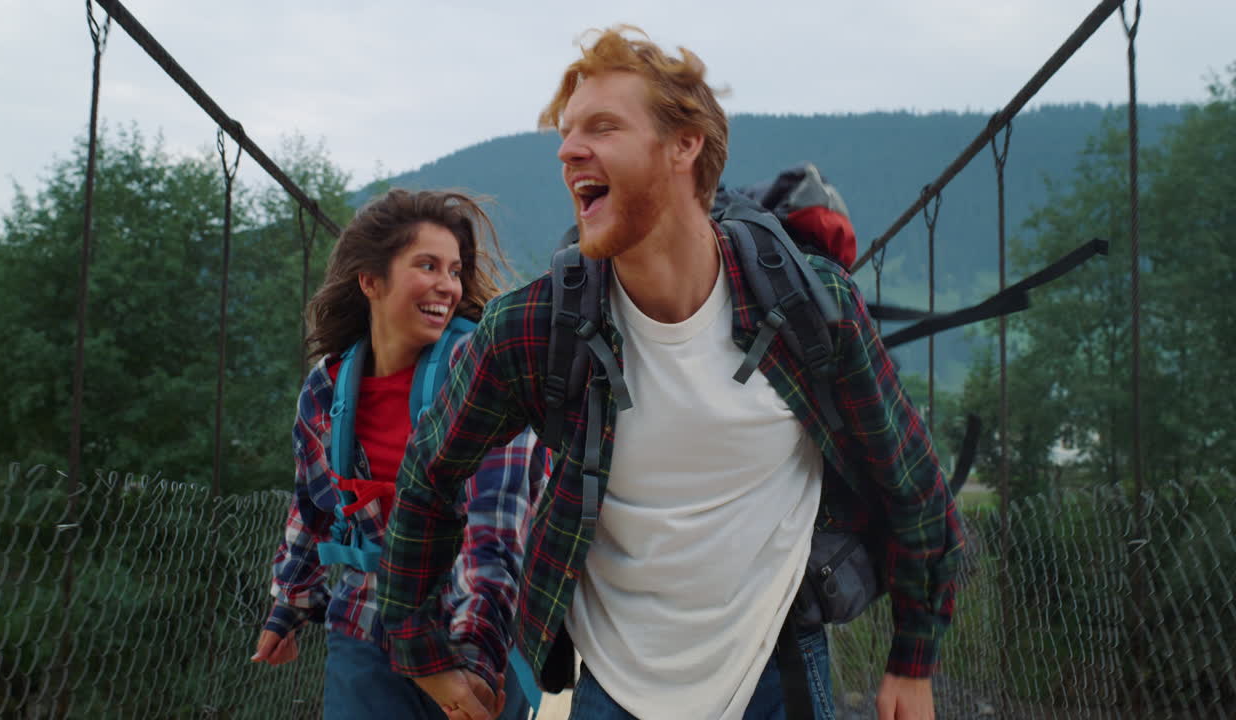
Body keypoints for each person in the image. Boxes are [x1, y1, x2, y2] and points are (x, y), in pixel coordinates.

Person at [377, 27, 963, 720]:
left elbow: (915, 487)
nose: (567, 151)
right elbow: (428, 474)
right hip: (613, 691)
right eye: (565, 134)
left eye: (602, 126)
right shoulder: (535, 331)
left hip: (779, 677)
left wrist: (913, 660)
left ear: (684, 144)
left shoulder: (813, 310)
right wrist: (423, 653)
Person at [251, 189, 545, 720]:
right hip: (366, 623)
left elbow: (495, 528)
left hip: (470, 625)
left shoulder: (485, 373)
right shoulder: (329, 389)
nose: (447, 286)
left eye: (455, 270)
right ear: (371, 281)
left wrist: (473, 664)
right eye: (427, 265)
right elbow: (314, 505)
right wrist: (290, 602)